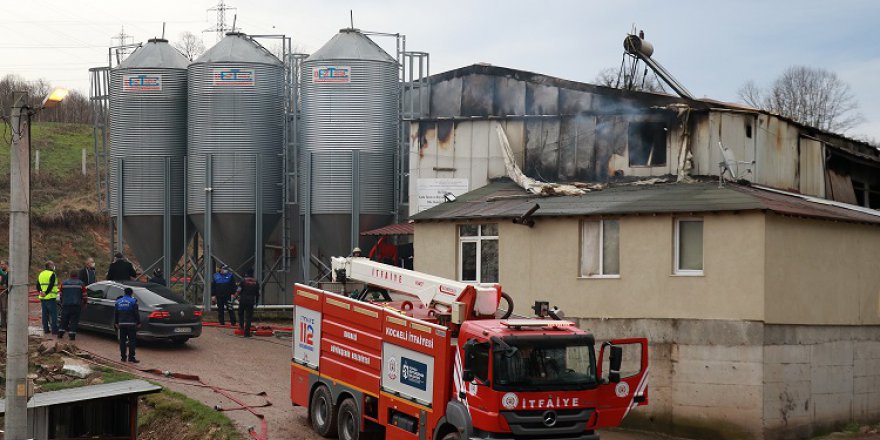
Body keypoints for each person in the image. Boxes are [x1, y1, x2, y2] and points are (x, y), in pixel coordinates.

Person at [114, 287, 140, 363]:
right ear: (131, 293)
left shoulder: (118, 301)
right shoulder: (133, 301)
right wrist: (138, 322)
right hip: (131, 324)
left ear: (124, 293)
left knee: (122, 341)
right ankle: (131, 358)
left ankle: (123, 357)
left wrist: (116, 322)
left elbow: (116, 313)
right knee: (132, 341)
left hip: (121, 324)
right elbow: (136, 313)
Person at [58, 271, 86, 341]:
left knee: (64, 319)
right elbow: (85, 295)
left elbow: (60, 294)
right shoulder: (81, 284)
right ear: (77, 276)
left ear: (70, 275)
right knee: (74, 320)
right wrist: (85, 303)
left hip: (66, 304)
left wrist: (62, 302)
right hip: (76, 305)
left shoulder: (64, 283)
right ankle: (72, 335)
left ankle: (60, 333)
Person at [36, 261, 60, 335]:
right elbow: (51, 285)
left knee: (45, 314)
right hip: (51, 297)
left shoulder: (41, 274)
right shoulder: (52, 274)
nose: (54, 266)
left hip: (43, 298)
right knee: (53, 314)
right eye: (53, 265)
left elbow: (37, 285)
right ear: (50, 266)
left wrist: (41, 292)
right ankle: (54, 330)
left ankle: (46, 329)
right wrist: (46, 292)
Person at [236, 269, 260, 338]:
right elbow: (258, 293)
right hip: (251, 301)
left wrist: (236, 297)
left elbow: (238, 291)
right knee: (248, 317)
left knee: (240, 313)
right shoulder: (256, 282)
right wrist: (257, 302)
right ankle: (247, 333)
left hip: (243, 300)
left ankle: (241, 326)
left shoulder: (243, 281)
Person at [0, 260, 9, 328]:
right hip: (1, 291)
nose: (1, 265)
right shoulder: (2, 272)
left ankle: (4, 325)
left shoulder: (8, 273)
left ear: (6, 265)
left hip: (4, 293)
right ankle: (3, 325)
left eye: (3, 264)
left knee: (4, 309)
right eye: (1, 264)